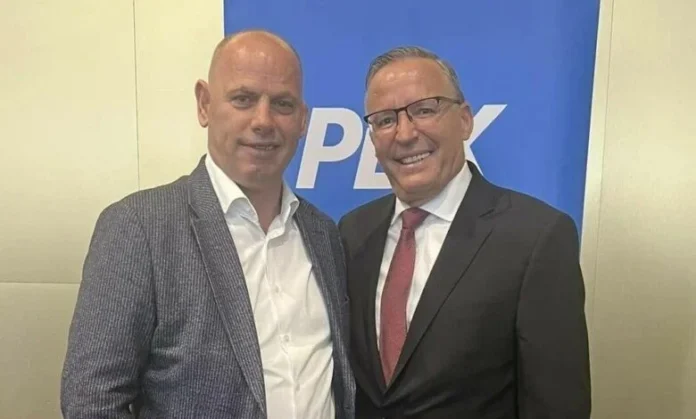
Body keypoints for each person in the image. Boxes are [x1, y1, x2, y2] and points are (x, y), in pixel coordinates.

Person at [60, 30, 354, 419]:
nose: (263, 121)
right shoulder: (139, 228)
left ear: (302, 120)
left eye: (282, 104)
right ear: (204, 104)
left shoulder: (324, 234)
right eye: (243, 99)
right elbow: (93, 401)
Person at [338, 46, 591, 418]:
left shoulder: (536, 237)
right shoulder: (352, 232)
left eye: (425, 110)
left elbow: (558, 406)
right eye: (385, 120)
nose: (404, 133)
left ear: (465, 120)